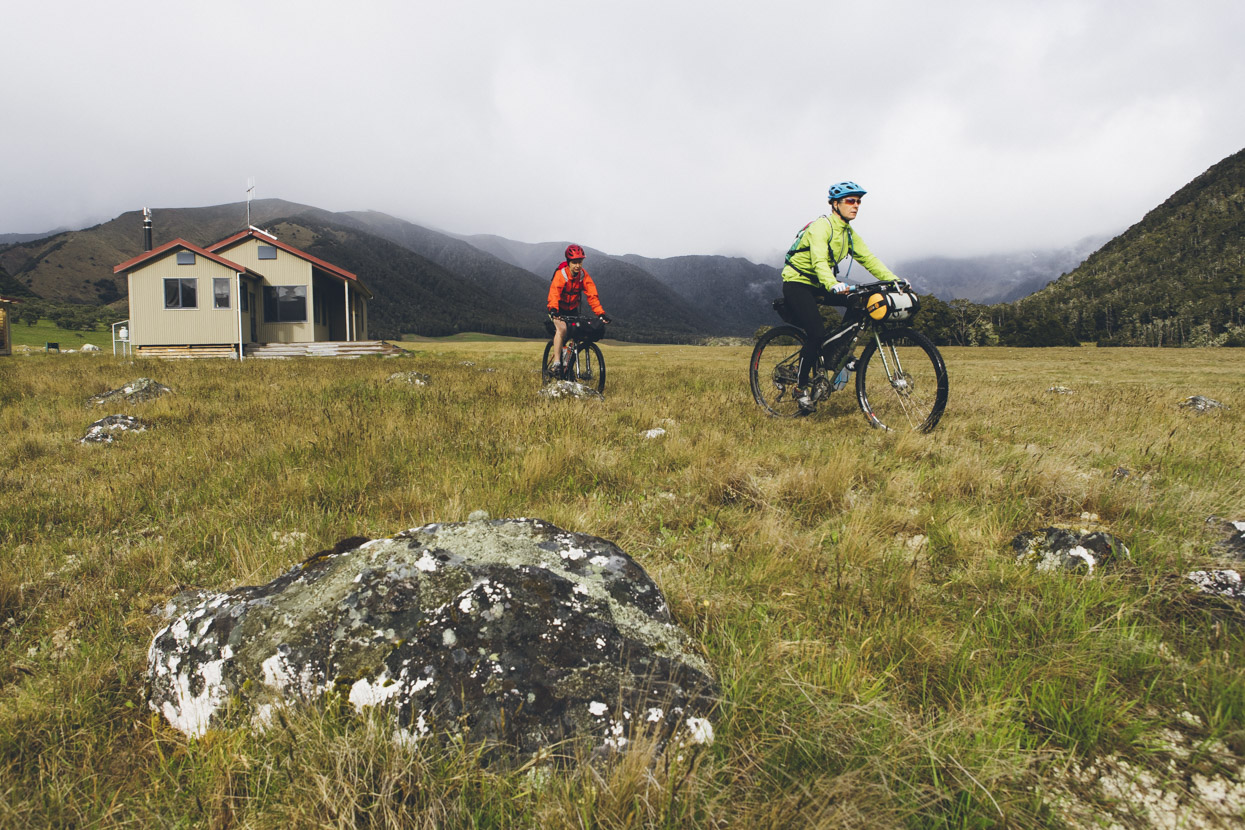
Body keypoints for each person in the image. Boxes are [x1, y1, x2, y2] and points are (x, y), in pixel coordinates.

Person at [780, 181, 905, 411]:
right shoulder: (821, 227)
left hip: (821, 283)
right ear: (835, 204)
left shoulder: (848, 234)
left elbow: (869, 259)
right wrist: (833, 284)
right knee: (816, 333)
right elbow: (818, 260)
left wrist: (894, 280)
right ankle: (800, 387)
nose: (856, 205)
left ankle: (838, 355)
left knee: (860, 302)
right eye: (850, 201)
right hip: (798, 282)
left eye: (858, 201)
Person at [547, 244, 611, 376]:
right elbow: (554, 293)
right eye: (574, 262)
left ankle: (569, 366)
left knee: (578, 333)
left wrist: (601, 313)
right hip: (557, 309)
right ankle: (557, 363)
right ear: (568, 262)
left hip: (572, 310)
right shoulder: (561, 275)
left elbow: (592, 296)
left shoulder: (583, 276)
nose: (577, 265)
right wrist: (554, 310)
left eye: (580, 262)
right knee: (562, 329)